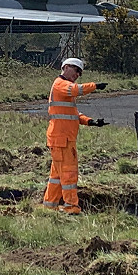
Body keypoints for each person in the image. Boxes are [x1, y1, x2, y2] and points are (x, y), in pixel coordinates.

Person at [42, 57, 108, 215]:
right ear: (65, 67)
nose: (78, 74)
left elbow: (74, 115)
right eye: (76, 70)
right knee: (69, 174)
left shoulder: (64, 90)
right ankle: (71, 208)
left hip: (61, 140)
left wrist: (91, 122)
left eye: (80, 72)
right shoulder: (61, 85)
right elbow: (76, 89)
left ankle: (49, 205)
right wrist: (95, 86)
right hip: (62, 140)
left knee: (57, 176)